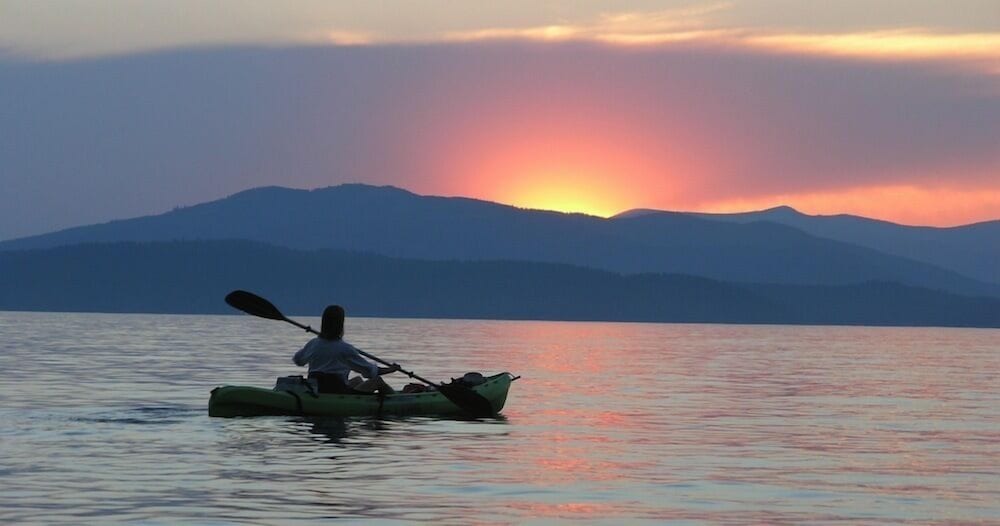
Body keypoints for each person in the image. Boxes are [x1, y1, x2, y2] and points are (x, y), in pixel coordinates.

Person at [293, 305, 399, 394]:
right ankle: (397, 399)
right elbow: (369, 371)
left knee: (357, 380)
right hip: (337, 392)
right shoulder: (345, 348)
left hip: (318, 389)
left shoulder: (313, 343)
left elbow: (298, 360)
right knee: (378, 381)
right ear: (341, 324)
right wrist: (391, 369)